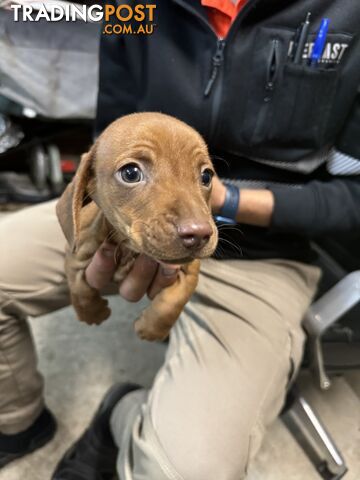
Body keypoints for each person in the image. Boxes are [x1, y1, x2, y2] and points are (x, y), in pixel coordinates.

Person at [0, 0, 359, 479]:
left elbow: (354, 196)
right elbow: (112, 132)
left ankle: (124, 412)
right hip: (125, 213)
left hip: (263, 248)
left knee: (186, 470)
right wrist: (111, 223)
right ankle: (19, 421)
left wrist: (223, 201)